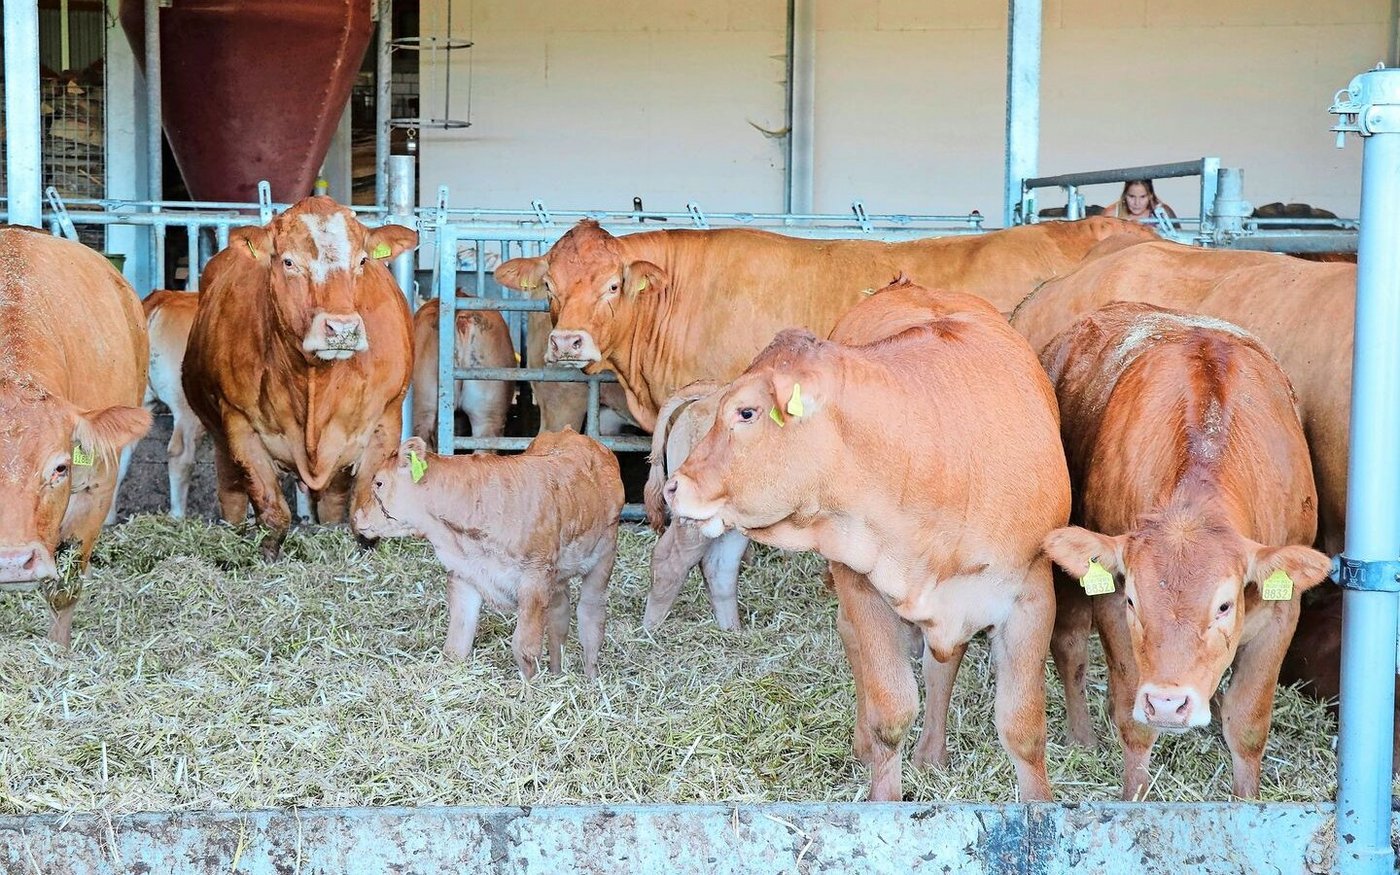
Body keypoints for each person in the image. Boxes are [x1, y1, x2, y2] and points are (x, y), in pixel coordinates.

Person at [1105, 179, 1177, 223]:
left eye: (1142, 197)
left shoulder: (1163, 213)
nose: (1137, 203)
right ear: (1125, 195)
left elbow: (1180, 242)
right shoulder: (1112, 214)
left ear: (1150, 196)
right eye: (1132, 196)